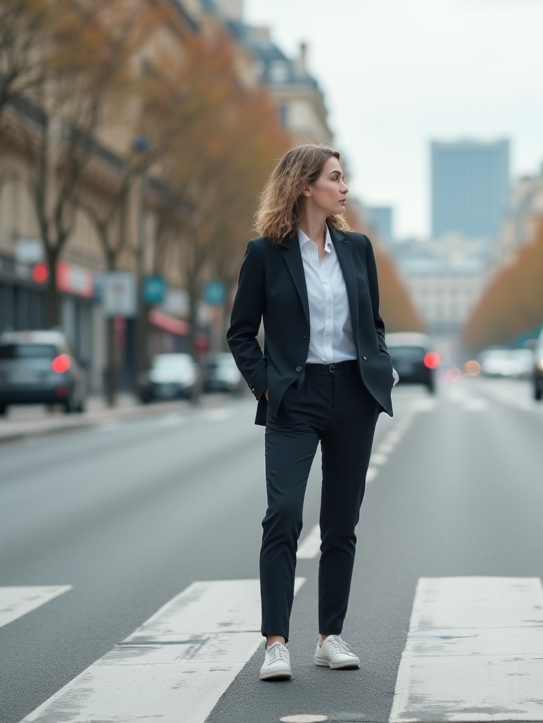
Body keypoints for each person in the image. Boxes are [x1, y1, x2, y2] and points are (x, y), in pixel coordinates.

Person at [227, 144, 396, 682]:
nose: (344, 188)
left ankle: (329, 637)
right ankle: (276, 643)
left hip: (353, 395)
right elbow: (240, 332)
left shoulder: (357, 248)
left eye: (343, 178)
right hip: (294, 398)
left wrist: (379, 365)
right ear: (305, 186)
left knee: (341, 523)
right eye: (335, 178)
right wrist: (267, 387)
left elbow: (373, 323)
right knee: (283, 514)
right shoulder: (264, 253)